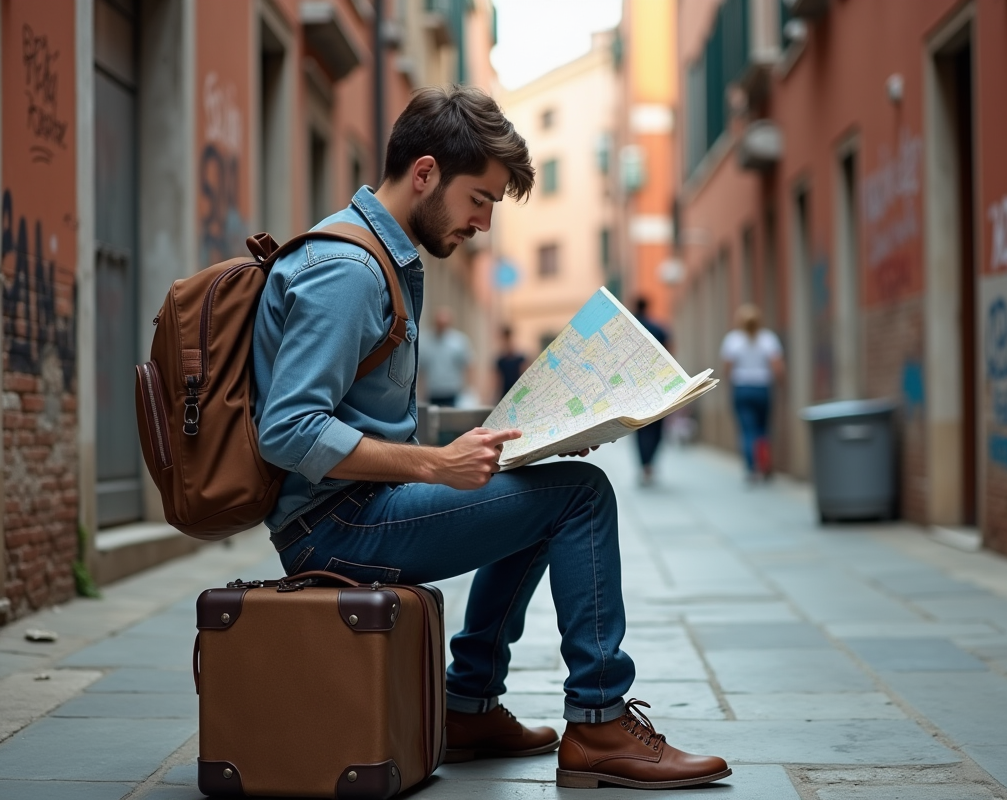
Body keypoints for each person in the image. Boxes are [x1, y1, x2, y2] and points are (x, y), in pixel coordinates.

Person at [252, 85, 729, 790]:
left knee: (548, 491)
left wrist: (535, 436)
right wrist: (435, 465)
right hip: (333, 526)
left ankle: (470, 707)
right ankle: (598, 724)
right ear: (425, 173)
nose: (483, 221)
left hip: (354, 507)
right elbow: (288, 431)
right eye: (479, 199)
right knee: (581, 496)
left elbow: (368, 415)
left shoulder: (379, 258)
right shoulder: (349, 271)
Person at [719, 304, 784, 481]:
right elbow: (777, 367)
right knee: (763, 429)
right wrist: (780, 385)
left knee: (747, 430)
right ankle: (764, 465)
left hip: (741, 388)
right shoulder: (768, 339)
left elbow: (727, 368)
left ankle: (752, 468)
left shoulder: (732, 340)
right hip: (762, 388)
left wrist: (731, 385)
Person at [631, 297, 671, 486]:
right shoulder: (658, 328)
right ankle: (649, 464)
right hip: (657, 384)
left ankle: (644, 465)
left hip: (636, 385)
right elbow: (669, 354)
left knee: (640, 428)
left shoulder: (629, 330)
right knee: (657, 427)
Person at [419, 306, 473, 406]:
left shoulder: (459, 341)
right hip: (433, 391)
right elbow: (421, 368)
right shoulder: (425, 341)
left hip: (452, 391)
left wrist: (468, 390)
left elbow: (468, 365)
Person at [494, 325, 527, 401]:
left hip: (517, 394)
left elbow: (524, 378)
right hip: (505, 395)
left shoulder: (520, 359)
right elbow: (497, 381)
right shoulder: (500, 361)